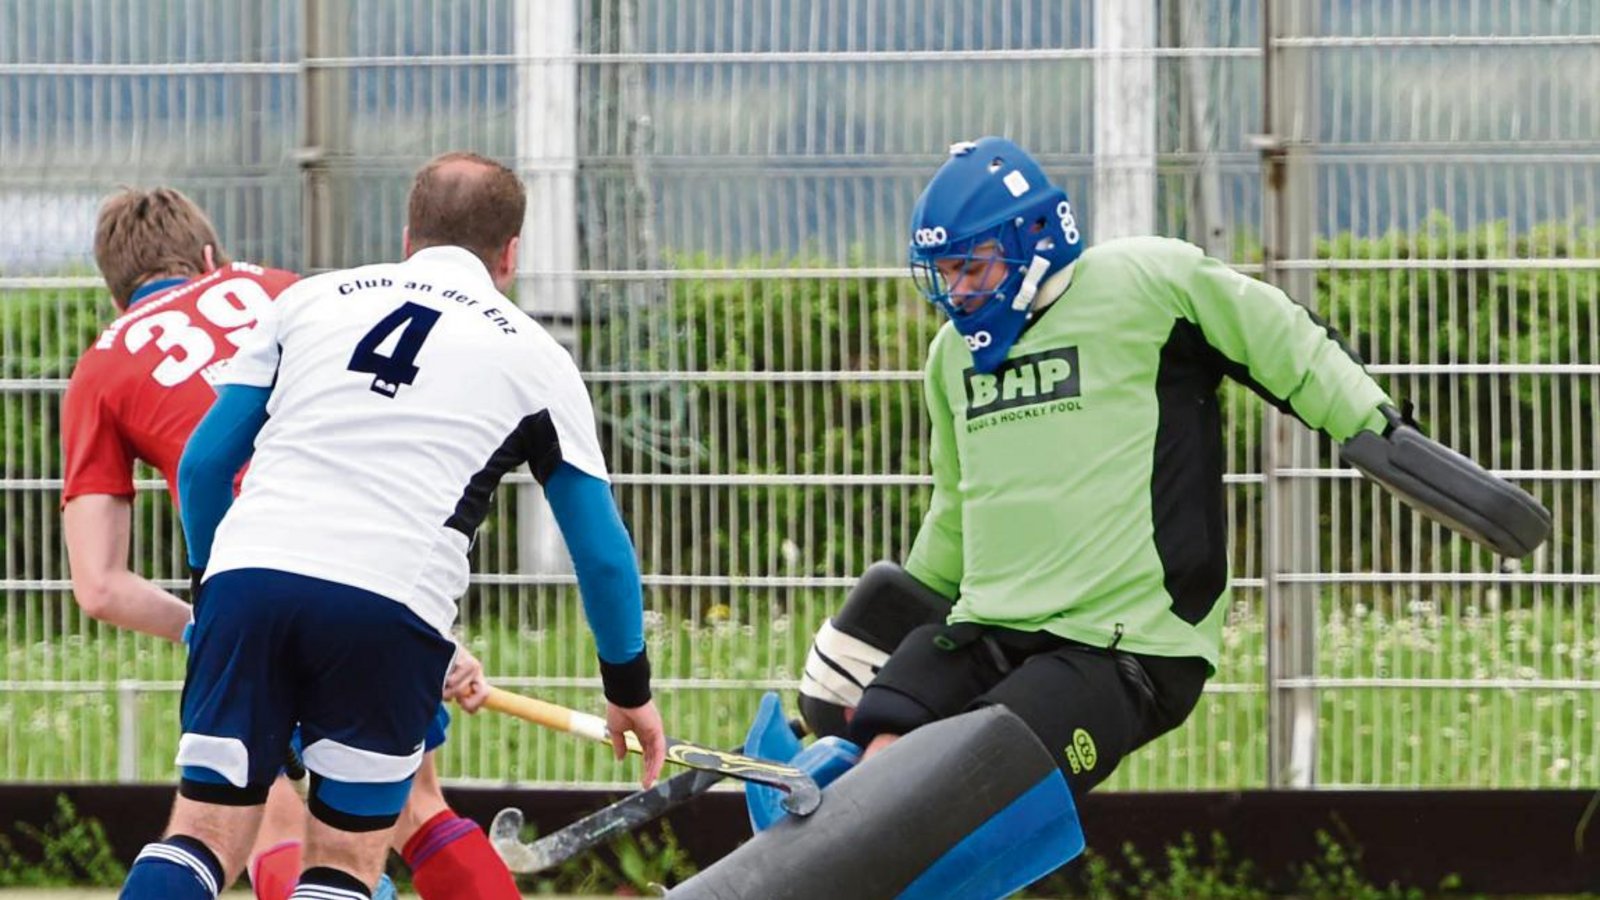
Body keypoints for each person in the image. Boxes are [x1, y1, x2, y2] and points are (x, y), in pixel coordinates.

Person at [781, 136, 1546, 828]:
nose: (957, 293)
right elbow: (958, 511)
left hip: (1121, 648)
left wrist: (1379, 433)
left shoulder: (1149, 283)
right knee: (882, 736)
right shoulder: (952, 359)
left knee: (968, 773)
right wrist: (880, 630)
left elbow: (1283, 342)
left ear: (1035, 240)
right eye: (943, 274)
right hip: (993, 625)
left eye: (971, 268)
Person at [114, 151, 667, 900]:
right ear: (510, 255)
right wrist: (627, 687)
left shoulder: (308, 301)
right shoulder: (536, 356)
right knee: (343, 859)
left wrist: (215, 590)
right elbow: (601, 555)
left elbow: (204, 467)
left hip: (248, 579)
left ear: (408, 236)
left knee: (203, 835)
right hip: (387, 607)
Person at [59, 186, 523, 900]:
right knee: (414, 811)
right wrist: (433, 632)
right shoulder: (293, 291)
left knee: (249, 825)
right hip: (380, 574)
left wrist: (204, 624)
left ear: (118, 289)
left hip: (246, 588)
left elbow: (99, 586)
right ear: (211, 257)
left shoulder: (104, 363)